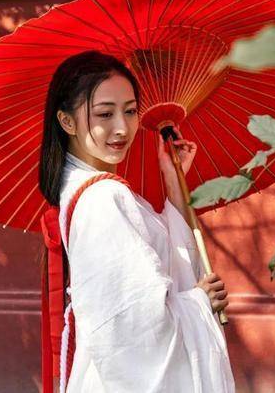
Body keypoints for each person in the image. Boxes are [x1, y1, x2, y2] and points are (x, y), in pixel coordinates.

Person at [38, 50, 235, 392]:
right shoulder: (103, 198)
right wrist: (200, 302)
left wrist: (173, 179)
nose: (122, 128)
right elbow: (135, 332)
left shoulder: (93, 190)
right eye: (104, 114)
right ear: (67, 122)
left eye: (130, 111)